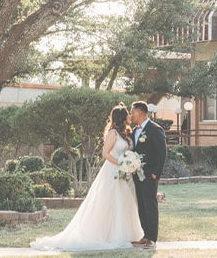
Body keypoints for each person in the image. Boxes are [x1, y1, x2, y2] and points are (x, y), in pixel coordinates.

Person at [30, 103, 144, 252]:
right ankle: (108, 235)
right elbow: (105, 153)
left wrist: (129, 164)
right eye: (127, 114)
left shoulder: (127, 133)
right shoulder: (113, 134)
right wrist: (121, 163)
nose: (130, 116)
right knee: (109, 203)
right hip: (113, 171)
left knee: (124, 202)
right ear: (122, 118)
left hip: (124, 173)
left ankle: (124, 235)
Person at [130, 100, 167, 250]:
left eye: (132, 112)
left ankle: (152, 238)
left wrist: (155, 174)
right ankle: (145, 235)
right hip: (136, 175)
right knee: (142, 205)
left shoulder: (155, 129)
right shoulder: (135, 130)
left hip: (149, 175)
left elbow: (162, 154)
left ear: (140, 112)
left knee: (150, 205)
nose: (131, 115)